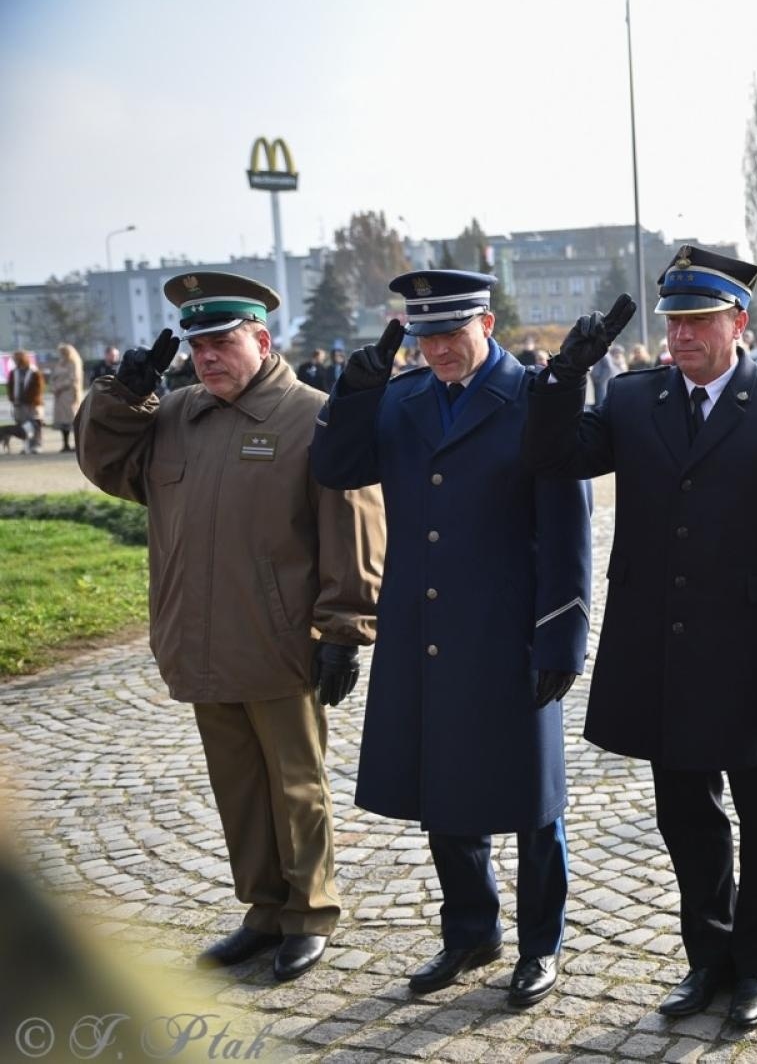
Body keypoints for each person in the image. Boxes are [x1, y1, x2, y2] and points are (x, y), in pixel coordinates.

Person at [524, 245, 757, 1027]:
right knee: (686, 818)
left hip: (756, 654)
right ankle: (708, 958)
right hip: (662, 650)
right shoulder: (634, 400)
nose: (682, 336)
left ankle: (756, 967)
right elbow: (553, 454)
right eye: (675, 322)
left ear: (739, 322)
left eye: (700, 321)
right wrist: (567, 374)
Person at [75, 272, 385, 980]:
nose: (207, 357)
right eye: (196, 346)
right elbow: (106, 463)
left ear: (262, 339)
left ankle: (309, 913)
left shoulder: (314, 417)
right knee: (239, 786)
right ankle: (263, 910)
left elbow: (354, 527)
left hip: (281, 641)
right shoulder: (178, 415)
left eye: (222, 342)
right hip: (201, 637)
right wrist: (121, 397)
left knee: (296, 785)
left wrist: (344, 628)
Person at [310, 270, 592, 1007]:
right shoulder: (399, 400)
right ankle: (470, 930)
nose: (436, 348)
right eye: (424, 334)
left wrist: (563, 637)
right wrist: (357, 388)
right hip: (425, 629)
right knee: (445, 790)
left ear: (488, 324)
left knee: (534, 800)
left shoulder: (535, 398)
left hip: (510, 629)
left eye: (451, 332)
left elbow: (568, 525)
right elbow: (335, 467)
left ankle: (541, 944)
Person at [49, 343, 85, 452]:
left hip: (69, 395)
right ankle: (65, 444)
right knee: (62, 421)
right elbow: (53, 377)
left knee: (72, 420)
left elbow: (74, 378)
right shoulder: (60, 363)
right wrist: (53, 387)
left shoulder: (74, 363)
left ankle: (77, 444)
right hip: (59, 397)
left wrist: (60, 387)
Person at [8, 350, 45, 453]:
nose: (15, 361)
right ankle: (26, 446)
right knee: (22, 426)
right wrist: (12, 399)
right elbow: (10, 387)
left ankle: (36, 445)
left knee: (35, 425)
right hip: (18, 403)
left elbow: (39, 388)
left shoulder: (34, 372)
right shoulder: (13, 372)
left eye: (16, 359)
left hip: (32, 404)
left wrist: (31, 400)